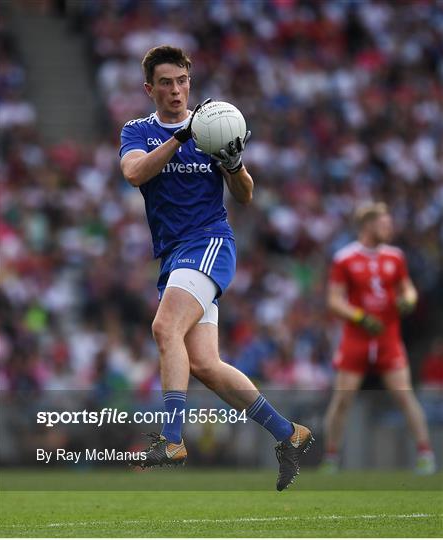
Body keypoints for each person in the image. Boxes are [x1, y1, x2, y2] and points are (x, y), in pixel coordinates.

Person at [119, 45, 313, 491]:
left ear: (190, 81)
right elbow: (135, 174)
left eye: (182, 81)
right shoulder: (139, 131)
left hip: (208, 244)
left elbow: (244, 195)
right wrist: (181, 137)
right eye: (165, 83)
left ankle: (171, 441)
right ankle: (290, 434)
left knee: (164, 329)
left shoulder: (213, 126)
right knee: (205, 364)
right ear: (150, 89)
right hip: (174, 256)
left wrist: (234, 163)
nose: (176, 90)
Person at [322, 202, 436, 474]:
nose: (389, 228)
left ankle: (425, 455)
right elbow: (334, 301)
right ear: (368, 225)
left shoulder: (395, 257)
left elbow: (408, 289)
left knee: (405, 396)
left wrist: (408, 300)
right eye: (384, 223)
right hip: (356, 338)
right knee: (342, 400)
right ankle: (331, 458)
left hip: (388, 338)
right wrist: (360, 317)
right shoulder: (345, 258)